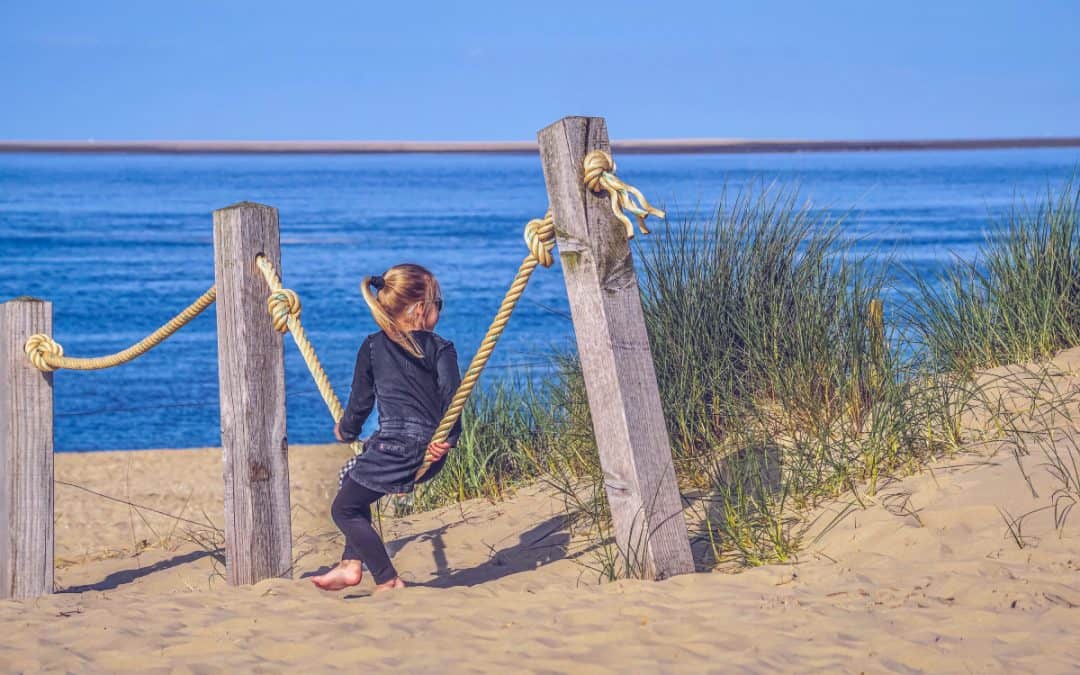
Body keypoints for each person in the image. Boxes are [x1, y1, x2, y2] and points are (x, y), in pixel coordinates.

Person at [311, 263, 461, 593]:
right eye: (440, 303)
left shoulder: (373, 346)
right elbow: (453, 398)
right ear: (422, 308)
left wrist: (347, 429)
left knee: (343, 508)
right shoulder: (441, 348)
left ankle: (387, 579)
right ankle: (351, 562)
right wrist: (446, 439)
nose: (440, 310)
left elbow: (360, 401)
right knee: (350, 478)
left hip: (397, 447)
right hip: (423, 449)